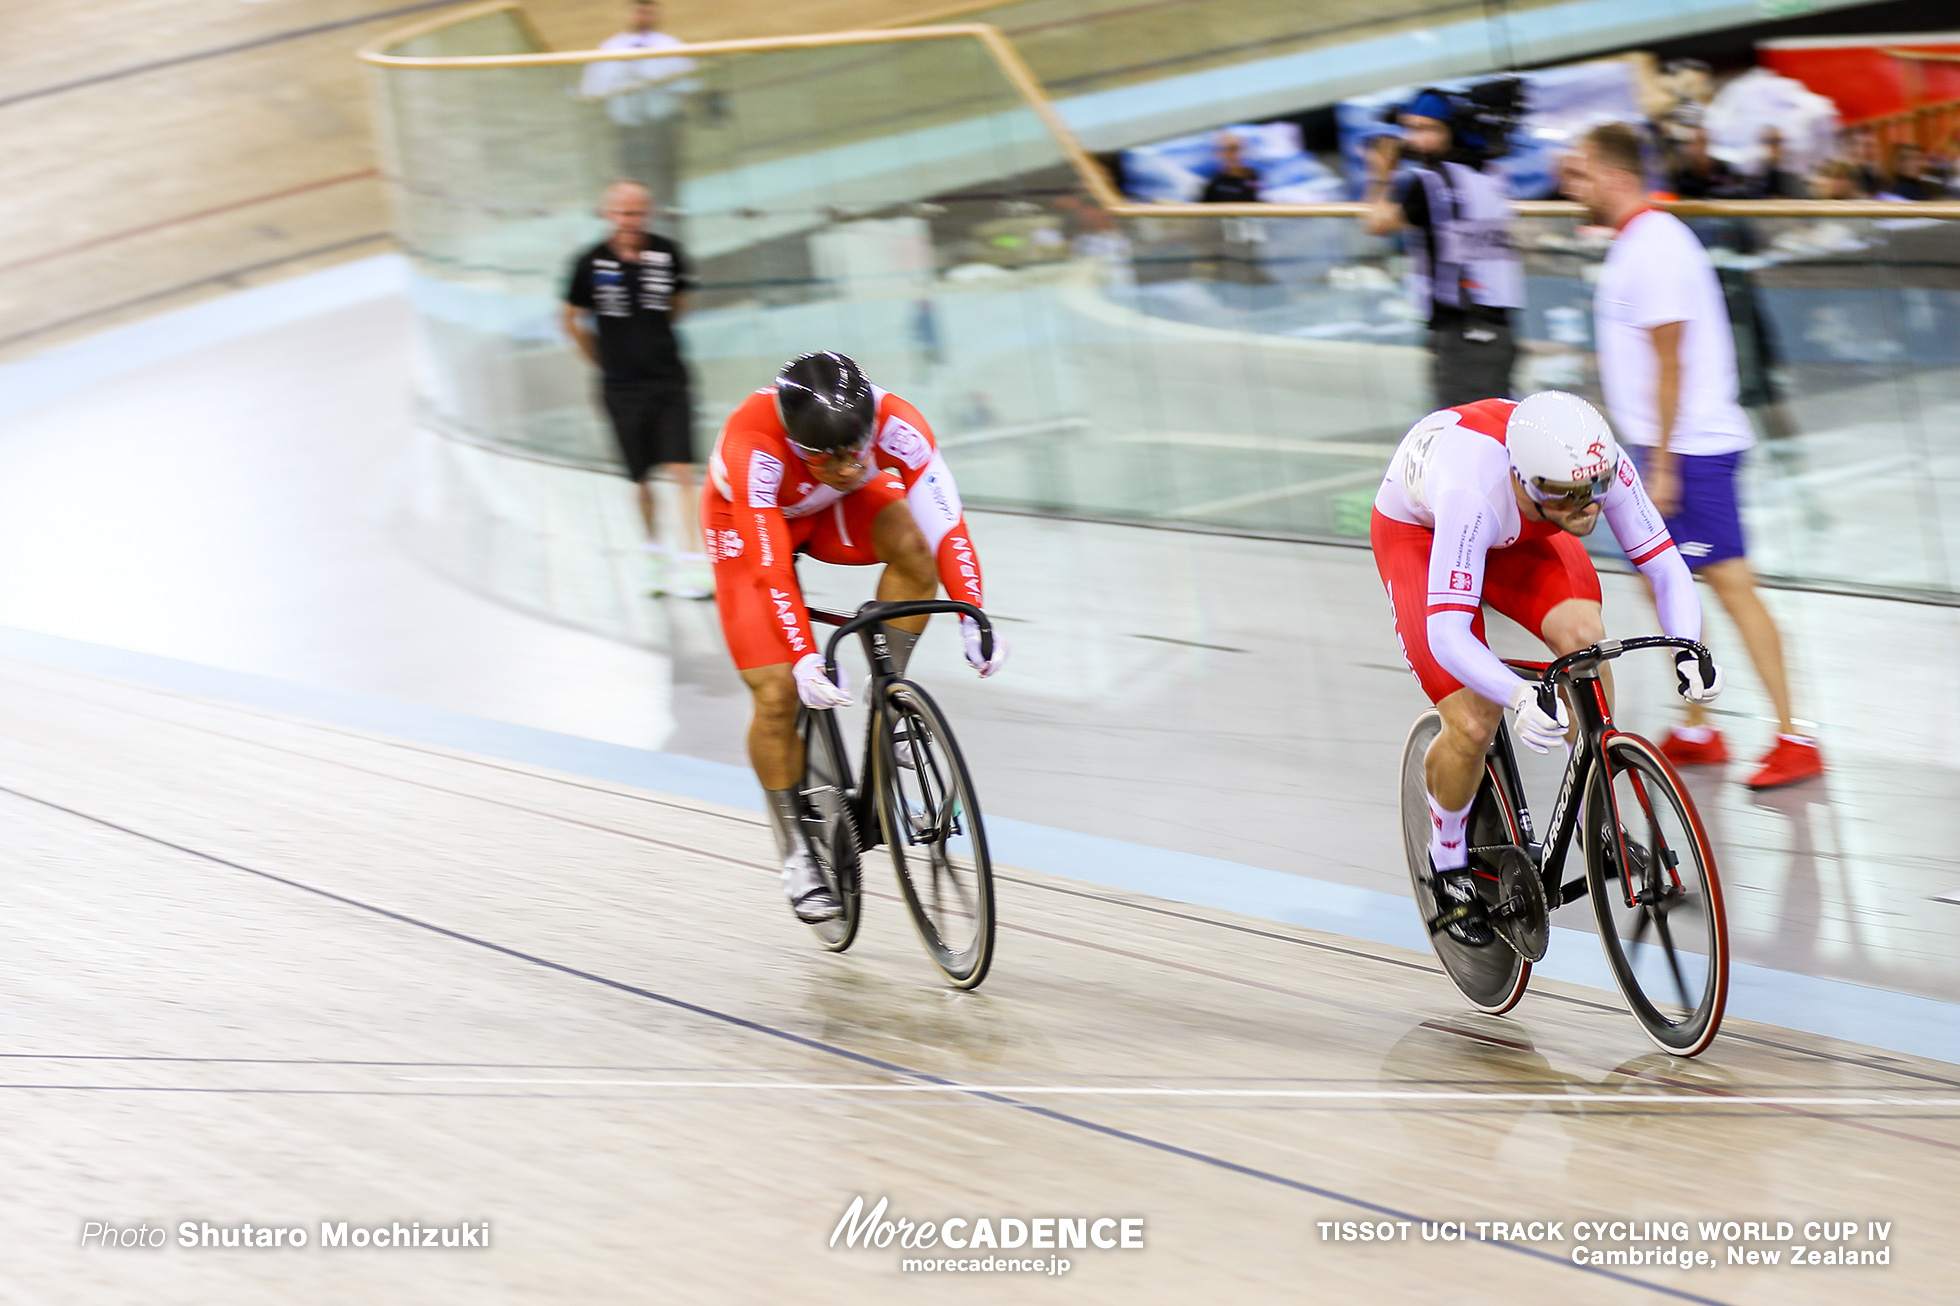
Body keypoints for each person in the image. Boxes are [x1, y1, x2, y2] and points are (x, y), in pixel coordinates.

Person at [1371, 391, 1722, 945]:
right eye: (1570, 497)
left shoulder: (1593, 464)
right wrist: (1517, 695)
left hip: (1520, 532)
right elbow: (1447, 635)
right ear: (1525, 480)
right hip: (1426, 533)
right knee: (1473, 721)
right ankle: (1446, 862)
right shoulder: (1475, 488)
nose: (1588, 508)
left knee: (1586, 639)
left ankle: (1594, 815)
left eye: (1596, 492)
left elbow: (1666, 567)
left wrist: (1687, 646)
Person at [702, 352, 1009, 922]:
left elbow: (948, 526)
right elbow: (770, 567)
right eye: (826, 456)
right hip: (747, 526)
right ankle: (796, 851)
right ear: (797, 444)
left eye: (855, 450)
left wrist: (973, 612)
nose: (847, 466)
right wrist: (800, 658)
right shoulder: (756, 446)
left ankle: (885, 692)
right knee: (774, 695)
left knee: (916, 549)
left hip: (828, 512)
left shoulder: (900, 424)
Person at [1570, 121, 1823, 790]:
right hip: (1665, 447)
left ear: (1618, 175)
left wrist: (1663, 467)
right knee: (1666, 583)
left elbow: (1670, 361)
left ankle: (1796, 735)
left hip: (1690, 449)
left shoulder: (1655, 246)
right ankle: (1696, 726)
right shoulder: (1635, 243)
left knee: (1733, 586)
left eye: (1585, 172)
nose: (1575, 185)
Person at [562, 179, 710, 598]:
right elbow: (571, 319)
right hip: (621, 388)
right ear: (609, 214)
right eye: (623, 213)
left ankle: (693, 558)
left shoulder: (666, 254)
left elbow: (678, 305)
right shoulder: (590, 263)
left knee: (682, 469)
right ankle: (653, 554)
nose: (631, 221)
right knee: (640, 480)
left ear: (649, 214)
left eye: (638, 213)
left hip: (668, 380)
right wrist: (603, 359)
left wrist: (653, 340)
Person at [1363, 89, 1523, 409]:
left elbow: (1377, 223)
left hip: (1462, 331)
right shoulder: (1489, 175)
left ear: (1451, 131)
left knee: (1461, 433)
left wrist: (1382, 174)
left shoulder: (1431, 181)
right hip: (1498, 324)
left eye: (1427, 130)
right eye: (1411, 129)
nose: (1415, 140)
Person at [1669, 126, 1748, 200]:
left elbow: (1737, 191)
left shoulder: (1722, 169)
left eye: (1701, 142)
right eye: (1691, 143)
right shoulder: (1680, 174)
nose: (1696, 147)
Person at [1200, 134, 1261, 203]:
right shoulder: (1214, 182)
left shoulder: (1257, 178)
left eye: (1235, 149)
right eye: (1227, 150)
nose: (1233, 155)